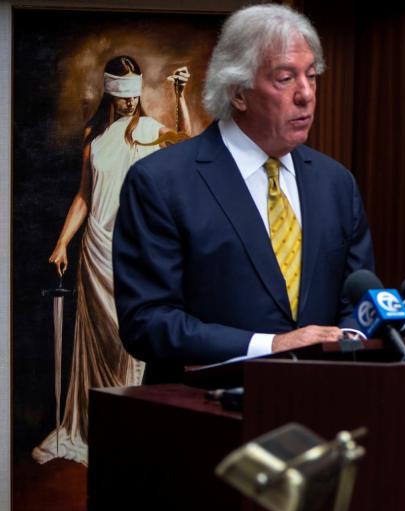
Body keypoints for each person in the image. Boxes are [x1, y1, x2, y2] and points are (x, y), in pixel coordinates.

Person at [112, 4, 374, 383]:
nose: (306, 94)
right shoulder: (160, 182)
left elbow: (359, 301)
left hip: (321, 413)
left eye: (312, 76)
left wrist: (349, 342)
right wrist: (271, 346)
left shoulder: (336, 183)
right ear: (238, 93)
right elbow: (147, 322)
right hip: (206, 420)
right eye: (285, 78)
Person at [33, 56, 191, 465]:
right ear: (109, 94)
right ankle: (89, 426)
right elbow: (84, 196)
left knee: (130, 339)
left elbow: (188, 145)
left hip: (131, 250)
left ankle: (127, 424)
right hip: (95, 250)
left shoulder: (150, 132)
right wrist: (62, 242)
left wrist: (180, 96)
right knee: (99, 341)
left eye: (133, 96)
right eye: (121, 96)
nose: (128, 104)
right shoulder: (94, 137)